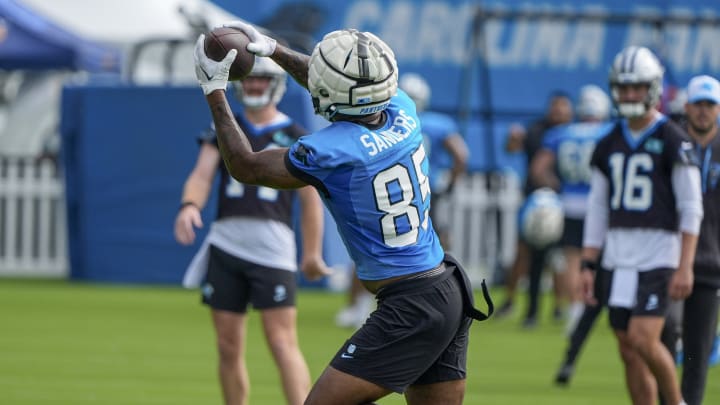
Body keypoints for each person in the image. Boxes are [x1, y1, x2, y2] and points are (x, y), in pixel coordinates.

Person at [193, 21, 493, 405]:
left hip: (409, 304)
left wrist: (214, 90)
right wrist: (277, 51)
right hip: (445, 287)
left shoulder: (331, 150)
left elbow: (245, 166)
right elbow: (338, 87)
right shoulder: (403, 109)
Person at [174, 56, 331, 405]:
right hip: (227, 244)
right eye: (248, 80)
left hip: (273, 249)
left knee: (281, 341)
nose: (253, 86)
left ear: (275, 85)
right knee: (227, 344)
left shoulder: (296, 137)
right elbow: (201, 176)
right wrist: (189, 206)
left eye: (260, 80)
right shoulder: (224, 128)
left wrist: (312, 253)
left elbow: (310, 201)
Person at [580, 46, 703, 405]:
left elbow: (691, 207)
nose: (630, 95)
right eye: (624, 87)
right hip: (619, 254)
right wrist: (589, 263)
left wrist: (685, 264)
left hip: (659, 252)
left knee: (643, 338)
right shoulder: (608, 143)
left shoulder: (673, 139)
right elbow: (598, 207)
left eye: (637, 87)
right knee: (627, 350)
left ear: (653, 88)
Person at [335, 72, 470, 330]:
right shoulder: (435, 123)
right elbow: (461, 155)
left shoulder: (379, 123)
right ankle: (442, 298)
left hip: (385, 193)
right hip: (424, 190)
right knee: (431, 248)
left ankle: (357, 306)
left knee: (371, 245)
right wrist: (450, 183)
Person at [528, 84, 614, 384]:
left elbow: (539, 168)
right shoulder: (608, 132)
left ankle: (573, 311)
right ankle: (582, 310)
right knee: (595, 261)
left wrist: (557, 187)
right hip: (598, 204)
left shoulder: (561, 133)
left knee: (572, 257)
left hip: (569, 202)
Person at [660, 74, 720, 405]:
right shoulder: (672, 143)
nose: (703, 111)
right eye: (698, 104)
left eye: (710, 105)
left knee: (698, 353)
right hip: (669, 260)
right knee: (663, 336)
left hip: (711, 263)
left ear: (718, 109)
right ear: (687, 106)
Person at [497, 90, 574, 328]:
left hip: (566, 202)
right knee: (526, 252)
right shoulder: (537, 130)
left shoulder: (575, 133)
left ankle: (561, 306)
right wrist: (513, 139)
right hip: (536, 202)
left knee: (560, 257)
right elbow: (511, 148)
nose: (558, 111)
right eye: (555, 106)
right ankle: (514, 301)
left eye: (563, 107)